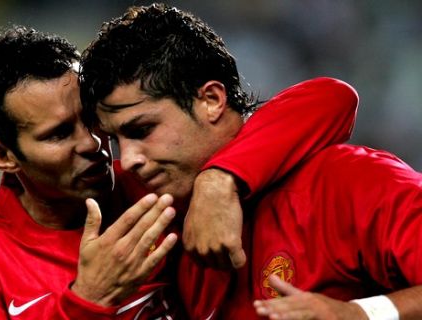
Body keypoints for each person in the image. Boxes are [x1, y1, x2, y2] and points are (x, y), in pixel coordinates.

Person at [0, 25, 356, 319]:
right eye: (58, 135)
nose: (91, 143)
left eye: (91, 121)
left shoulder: (151, 186)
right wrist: (88, 299)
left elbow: (331, 98)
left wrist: (219, 179)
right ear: (3, 156)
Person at [79, 3, 422, 319]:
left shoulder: (347, 181)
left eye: (142, 130)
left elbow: (337, 95)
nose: (131, 159)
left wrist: (361, 314)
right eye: (115, 140)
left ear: (212, 100)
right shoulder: (160, 215)